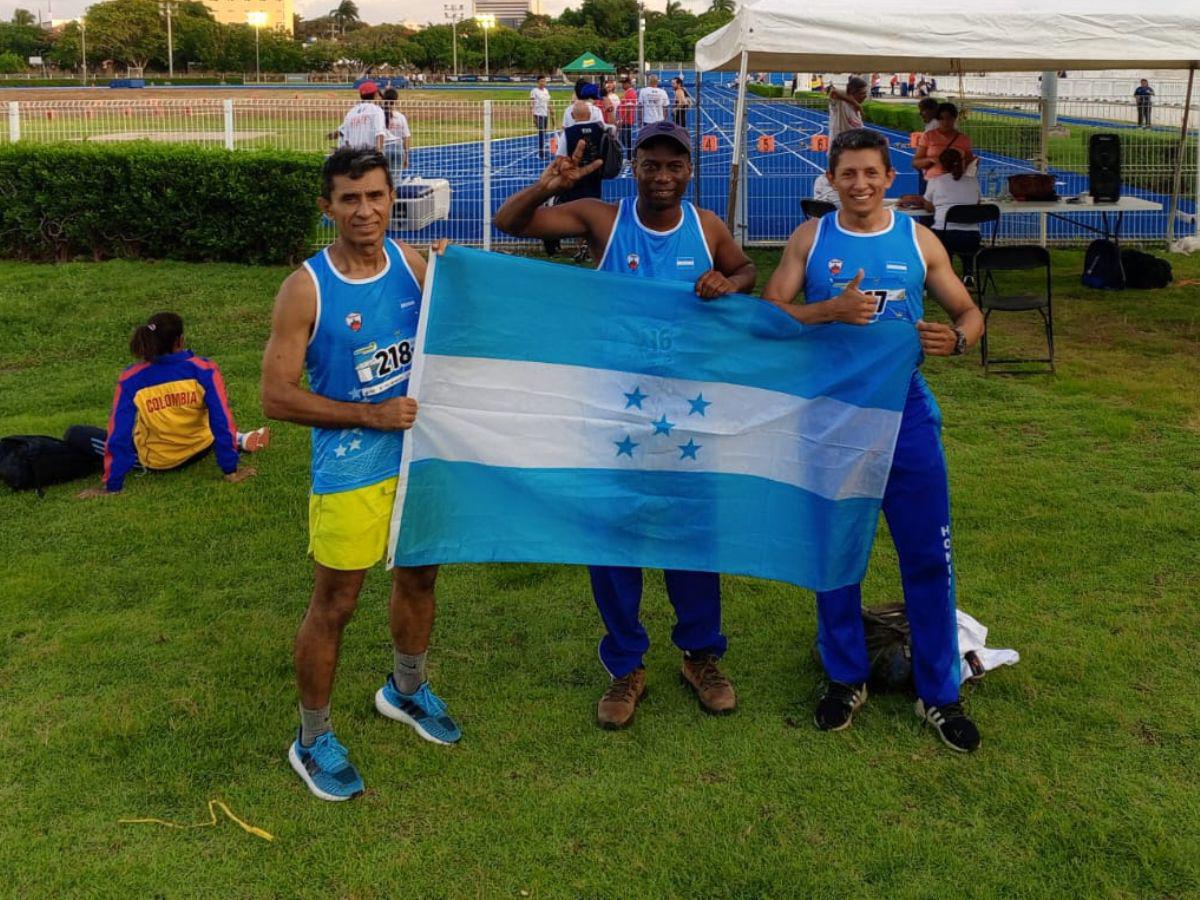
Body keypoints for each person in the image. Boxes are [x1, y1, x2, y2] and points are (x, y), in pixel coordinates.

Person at [494, 121, 757, 730]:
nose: (663, 176)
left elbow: (745, 272)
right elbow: (511, 224)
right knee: (613, 537)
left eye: (674, 166)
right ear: (633, 167)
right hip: (614, 409)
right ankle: (626, 664)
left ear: (690, 170)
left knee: (692, 533)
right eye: (651, 165)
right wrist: (545, 186)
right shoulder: (602, 219)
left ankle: (700, 655)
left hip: (691, 411)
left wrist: (729, 281)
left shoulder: (707, 226)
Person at [761, 128, 985, 753]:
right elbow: (770, 315)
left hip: (904, 418)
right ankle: (844, 678)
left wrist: (958, 339)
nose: (859, 184)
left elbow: (969, 313)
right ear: (830, 180)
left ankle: (940, 694)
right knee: (836, 554)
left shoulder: (918, 239)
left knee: (927, 557)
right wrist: (825, 312)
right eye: (847, 174)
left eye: (871, 173)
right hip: (830, 419)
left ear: (891, 179)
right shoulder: (812, 238)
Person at [261, 148, 459, 802]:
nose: (364, 210)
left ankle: (405, 692)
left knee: (420, 575)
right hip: (351, 467)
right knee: (336, 604)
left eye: (375, 196)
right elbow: (276, 396)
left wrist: (463, 277)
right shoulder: (306, 288)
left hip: (417, 457)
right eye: (349, 199)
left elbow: (461, 325)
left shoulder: (413, 263)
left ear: (390, 198)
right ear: (328, 208)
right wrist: (368, 416)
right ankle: (312, 739)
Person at [77, 311, 267, 499]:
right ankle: (240, 440)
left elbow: (119, 434)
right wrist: (230, 470)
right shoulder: (205, 369)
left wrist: (113, 485)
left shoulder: (131, 378)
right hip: (202, 447)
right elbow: (221, 421)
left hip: (160, 462)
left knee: (77, 434)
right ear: (180, 341)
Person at [544, 99, 610, 260]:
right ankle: (591, 247)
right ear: (590, 114)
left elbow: (560, 157)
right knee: (593, 210)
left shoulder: (569, 133)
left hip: (574, 179)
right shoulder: (601, 130)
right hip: (594, 176)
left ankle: (579, 246)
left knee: (576, 212)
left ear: (573, 115)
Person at [922, 148, 982, 283]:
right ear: (962, 163)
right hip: (972, 236)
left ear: (942, 164)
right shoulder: (973, 181)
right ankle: (968, 273)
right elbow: (977, 204)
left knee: (936, 237)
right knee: (966, 246)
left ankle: (945, 275)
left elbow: (928, 207)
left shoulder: (935, 181)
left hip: (945, 234)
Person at [913, 102, 974, 181]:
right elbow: (915, 163)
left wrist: (966, 167)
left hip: (956, 183)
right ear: (937, 119)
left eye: (949, 118)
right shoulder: (928, 136)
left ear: (954, 118)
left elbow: (970, 166)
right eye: (941, 118)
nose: (945, 122)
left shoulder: (964, 139)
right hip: (932, 182)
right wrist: (930, 160)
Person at [333, 81, 388, 153]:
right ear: (375, 94)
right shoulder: (376, 110)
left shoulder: (351, 112)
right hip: (369, 154)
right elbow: (380, 134)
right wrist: (379, 154)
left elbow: (346, 138)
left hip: (354, 154)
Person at [380, 87, 411, 174]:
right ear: (396, 101)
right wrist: (406, 156)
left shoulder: (379, 116)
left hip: (384, 148)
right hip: (398, 149)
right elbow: (406, 137)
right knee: (396, 179)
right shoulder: (401, 117)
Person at [828, 76, 868, 142]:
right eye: (862, 93)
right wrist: (856, 104)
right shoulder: (840, 104)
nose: (865, 96)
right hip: (838, 150)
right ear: (852, 93)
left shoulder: (857, 111)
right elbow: (834, 92)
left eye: (865, 93)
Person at [530, 74, 551, 158]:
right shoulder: (534, 91)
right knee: (541, 133)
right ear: (538, 82)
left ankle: (542, 151)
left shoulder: (546, 91)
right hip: (538, 114)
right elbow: (531, 103)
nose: (543, 83)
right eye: (541, 81)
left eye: (544, 81)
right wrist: (532, 116)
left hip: (545, 114)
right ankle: (541, 153)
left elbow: (548, 102)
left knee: (544, 133)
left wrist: (551, 110)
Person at [618, 76, 639, 155]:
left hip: (627, 120)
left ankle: (631, 157)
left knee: (626, 140)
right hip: (625, 119)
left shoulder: (630, 93)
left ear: (628, 84)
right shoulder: (627, 92)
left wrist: (622, 120)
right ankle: (630, 156)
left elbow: (629, 108)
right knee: (624, 139)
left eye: (624, 84)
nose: (622, 85)